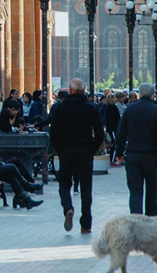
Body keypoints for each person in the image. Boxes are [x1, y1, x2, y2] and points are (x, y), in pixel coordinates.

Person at [50, 78, 103, 232]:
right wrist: (92, 148)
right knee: (86, 187)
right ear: (83, 91)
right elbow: (99, 133)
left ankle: (68, 208)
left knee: (64, 183)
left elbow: (54, 133)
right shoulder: (91, 107)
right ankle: (86, 224)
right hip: (85, 150)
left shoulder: (60, 108)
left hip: (66, 150)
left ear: (70, 91)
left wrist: (60, 149)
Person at [114, 83, 157, 217]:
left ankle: (136, 220)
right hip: (152, 156)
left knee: (135, 191)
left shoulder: (129, 110)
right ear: (153, 95)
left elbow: (121, 133)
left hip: (133, 155)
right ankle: (151, 221)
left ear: (139, 94)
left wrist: (119, 153)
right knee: (151, 191)